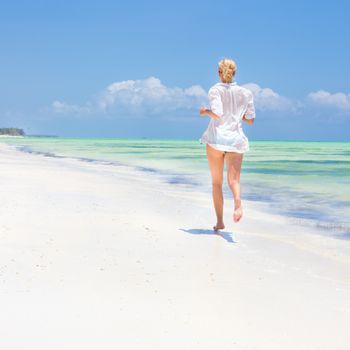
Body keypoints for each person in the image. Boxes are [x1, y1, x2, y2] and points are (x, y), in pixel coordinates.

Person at [199, 58, 256, 231]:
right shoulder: (246, 93)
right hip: (236, 140)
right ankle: (238, 202)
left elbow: (217, 114)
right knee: (234, 180)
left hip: (216, 139)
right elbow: (251, 120)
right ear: (234, 73)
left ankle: (220, 222)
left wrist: (204, 112)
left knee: (217, 183)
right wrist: (238, 117)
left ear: (219, 72)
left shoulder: (215, 90)